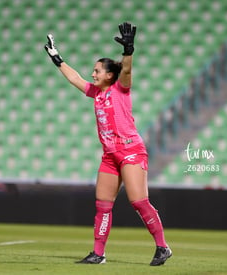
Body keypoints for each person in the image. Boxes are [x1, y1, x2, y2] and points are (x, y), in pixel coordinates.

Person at [44, 22, 172, 266]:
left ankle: (162, 247)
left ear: (109, 75)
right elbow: (75, 78)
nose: (93, 74)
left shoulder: (120, 89)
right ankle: (98, 253)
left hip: (131, 152)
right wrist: (57, 59)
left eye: (97, 71)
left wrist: (128, 52)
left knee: (139, 201)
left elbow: (127, 73)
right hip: (109, 155)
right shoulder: (96, 92)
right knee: (102, 205)